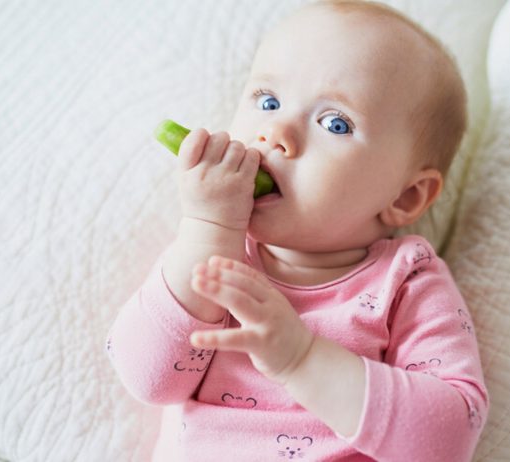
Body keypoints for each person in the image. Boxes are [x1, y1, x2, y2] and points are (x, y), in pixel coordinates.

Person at [106, 1, 489, 460]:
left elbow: (447, 439)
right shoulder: (213, 254)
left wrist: (301, 359)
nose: (276, 132)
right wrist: (207, 228)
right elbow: (148, 379)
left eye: (335, 123)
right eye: (268, 101)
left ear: (405, 198)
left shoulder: (406, 281)